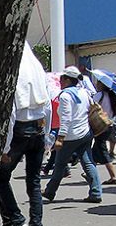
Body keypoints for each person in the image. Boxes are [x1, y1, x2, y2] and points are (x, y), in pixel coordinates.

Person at [0, 43, 51, 226]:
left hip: (19, 130)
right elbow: (47, 104)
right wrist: (46, 136)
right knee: (34, 183)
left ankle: (19, 224)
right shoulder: (36, 67)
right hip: (38, 129)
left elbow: (9, 113)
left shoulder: (13, 68)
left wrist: (5, 148)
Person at [43, 66, 102, 204]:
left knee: (59, 165)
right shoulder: (84, 92)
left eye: (62, 78)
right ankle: (96, 192)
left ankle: (50, 192)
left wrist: (60, 138)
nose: (60, 81)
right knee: (88, 163)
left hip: (70, 136)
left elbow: (66, 119)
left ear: (68, 80)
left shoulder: (65, 96)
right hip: (85, 133)